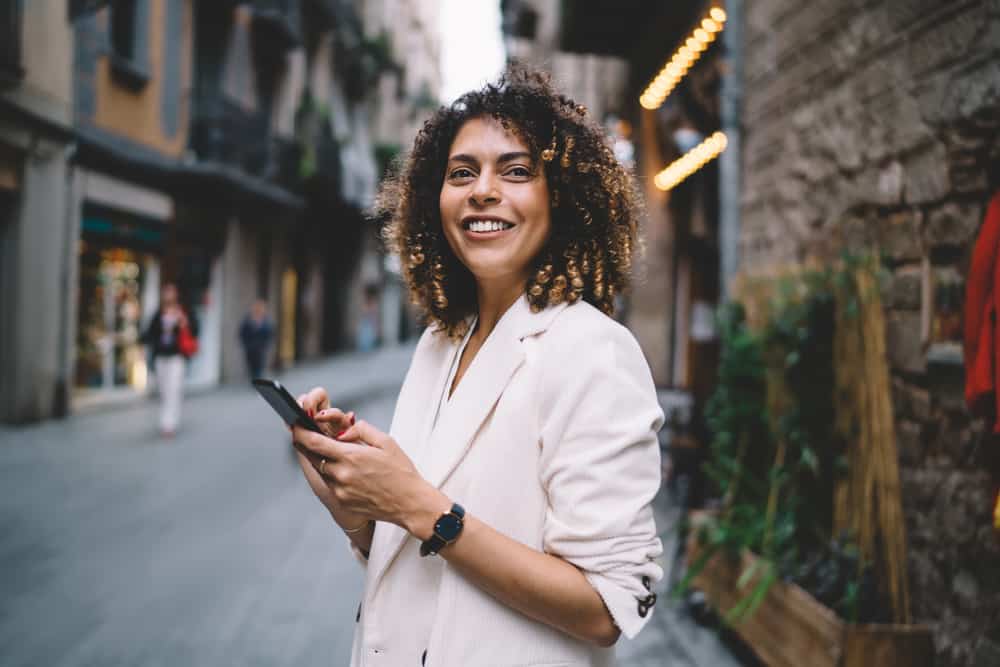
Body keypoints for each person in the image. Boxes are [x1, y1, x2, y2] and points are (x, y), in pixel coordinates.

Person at [292, 67, 664, 666]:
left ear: (562, 198)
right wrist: (359, 507)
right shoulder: (441, 342)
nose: (481, 190)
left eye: (516, 171)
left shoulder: (593, 351)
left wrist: (416, 503)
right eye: (461, 173)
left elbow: (605, 607)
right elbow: (418, 550)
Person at [141, 283, 198, 437]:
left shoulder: (183, 312)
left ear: (176, 294)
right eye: (165, 292)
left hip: (176, 357)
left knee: (174, 389)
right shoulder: (158, 314)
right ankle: (168, 420)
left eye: (171, 292)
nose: (168, 295)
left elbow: (194, 331)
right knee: (164, 390)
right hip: (161, 356)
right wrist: (149, 344)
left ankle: (168, 424)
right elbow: (148, 334)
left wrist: (183, 323)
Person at [239, 298, 274, 380]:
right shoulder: (248, 320)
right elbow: (242, 333)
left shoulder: (265, 320)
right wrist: (246, 344)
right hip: (250, 348)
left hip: (260, 349)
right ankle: (254, 380)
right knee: (251, 367)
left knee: (259, 367)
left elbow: (269, 334)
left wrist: (265, 345)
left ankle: (258, 380)